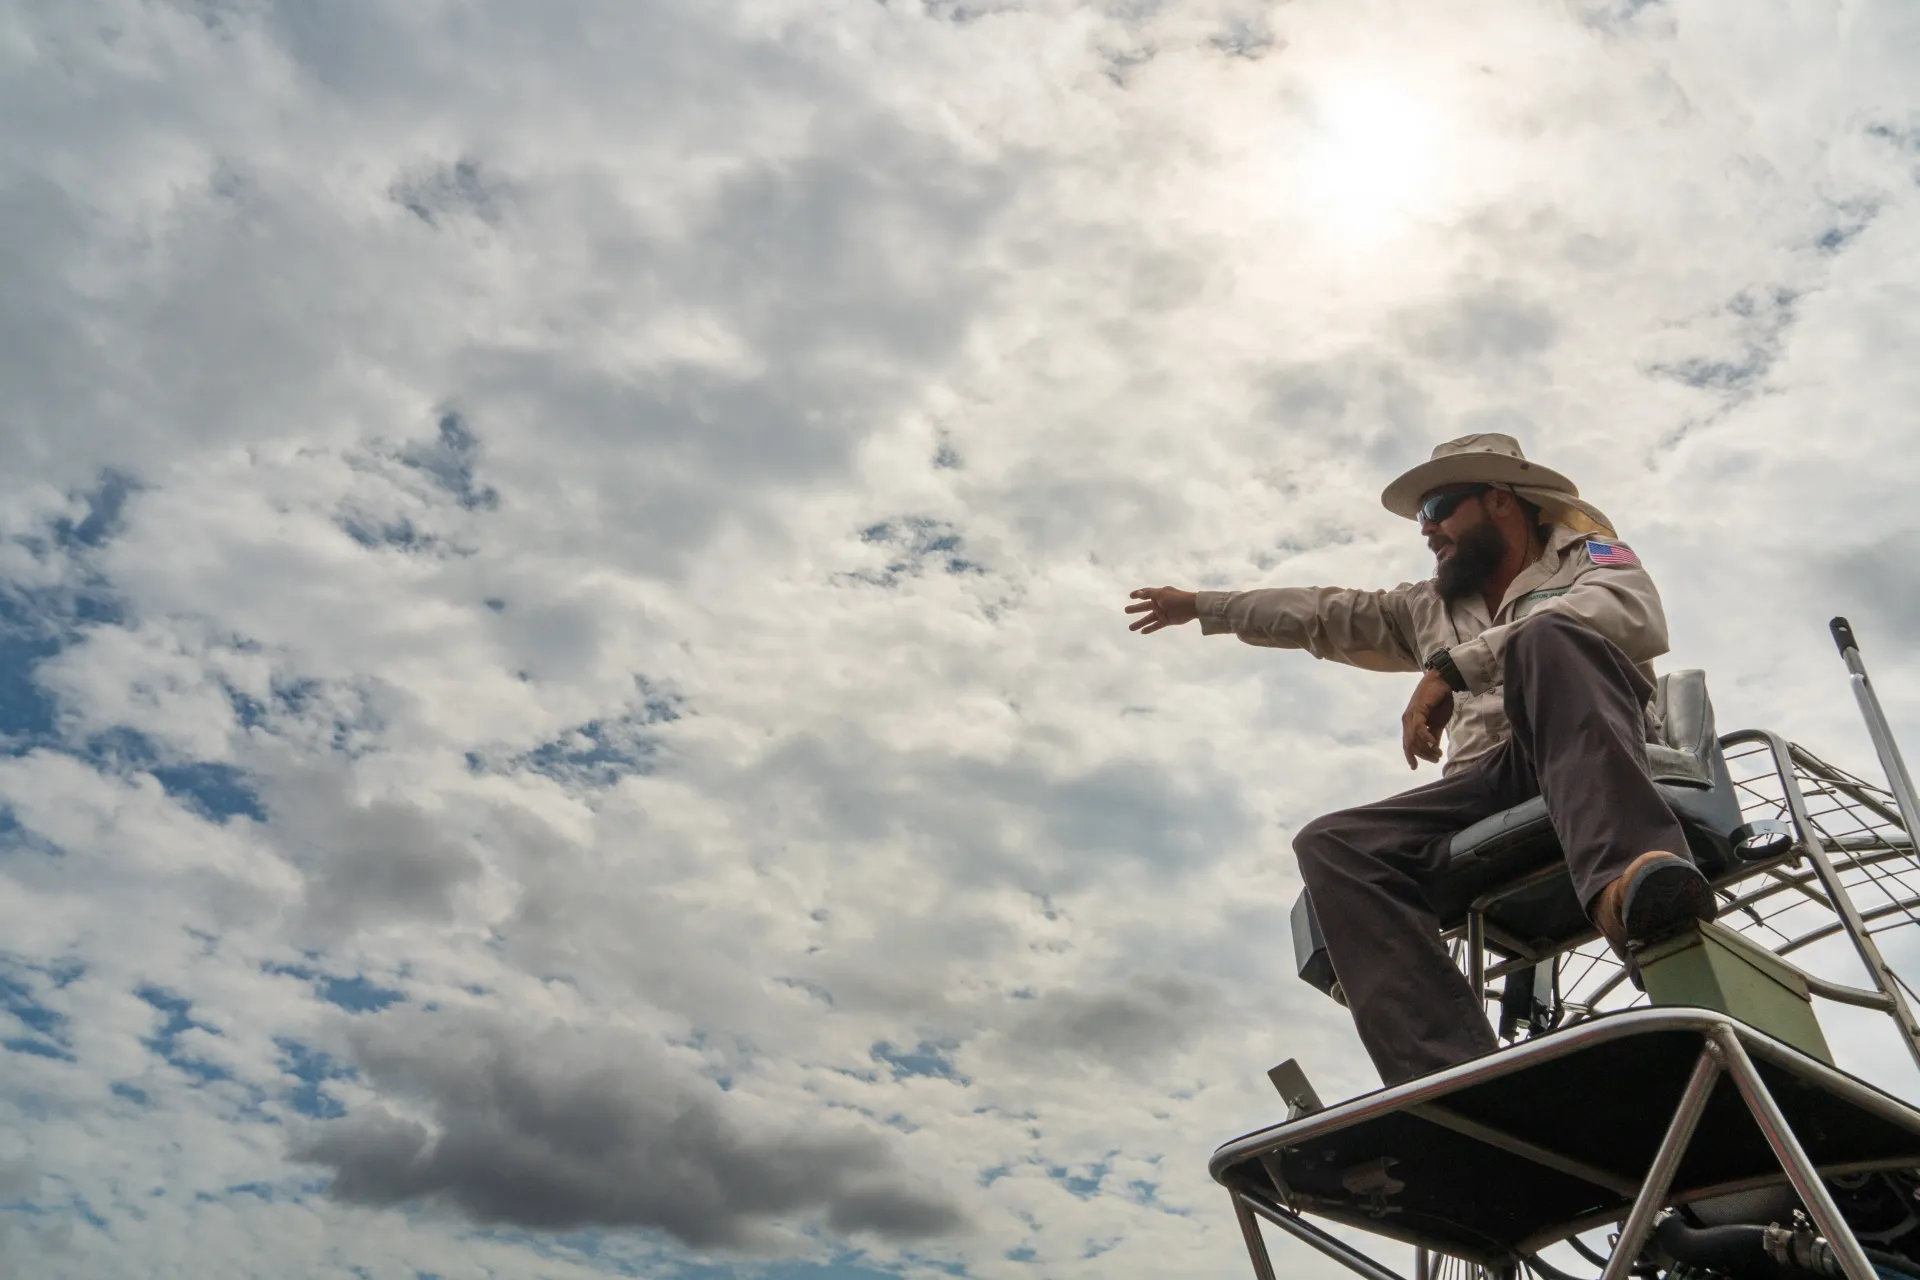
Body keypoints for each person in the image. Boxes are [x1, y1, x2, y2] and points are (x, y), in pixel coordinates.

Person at [1124, 433, 1716, 1085]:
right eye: (1420, 518)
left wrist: (1454, 668)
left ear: (1499, 501)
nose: (1427, 528)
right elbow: (1323, 613)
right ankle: (1450, 1079)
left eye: (1438, 506)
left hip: (1584, 742)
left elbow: (1632, 615)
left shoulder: (1588, 558)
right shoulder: (1425, 605)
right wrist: (1203, 606)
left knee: (1552, 635)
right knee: (1332, 844)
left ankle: (1625, 887)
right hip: (1487, 779)